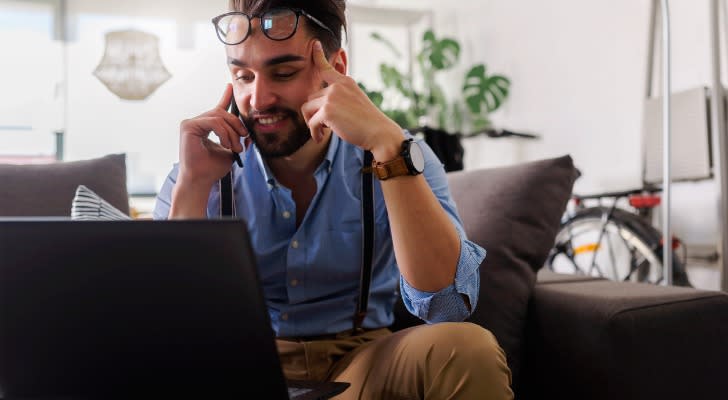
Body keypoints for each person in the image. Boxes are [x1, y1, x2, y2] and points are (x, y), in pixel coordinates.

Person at [153, 0, 513, 398]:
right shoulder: (199, 168)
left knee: (467, 348)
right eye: (242, 76)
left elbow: (447, 307)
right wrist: (190, 186)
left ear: (336, 68)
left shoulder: (403, 157)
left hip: (360, 364)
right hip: (240, 369)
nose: (258, 98)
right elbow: (167, 332)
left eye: (284, 72)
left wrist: (388, 148)